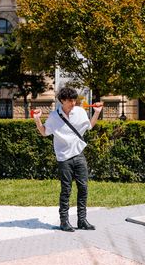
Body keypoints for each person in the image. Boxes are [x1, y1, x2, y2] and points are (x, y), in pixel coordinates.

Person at [33, 87, 103, 232]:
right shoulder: (54, 116)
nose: (73, 103)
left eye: (74, 100)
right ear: (62, 101)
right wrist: (37, 119)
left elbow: (89, 126)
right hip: (64, 158)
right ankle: (64, 221)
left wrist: (97, 113)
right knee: (66, 190)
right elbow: (44, 132)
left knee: (83, 188)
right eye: (70, 100)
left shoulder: (80, 112)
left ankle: (82, 220)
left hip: (79, 155)